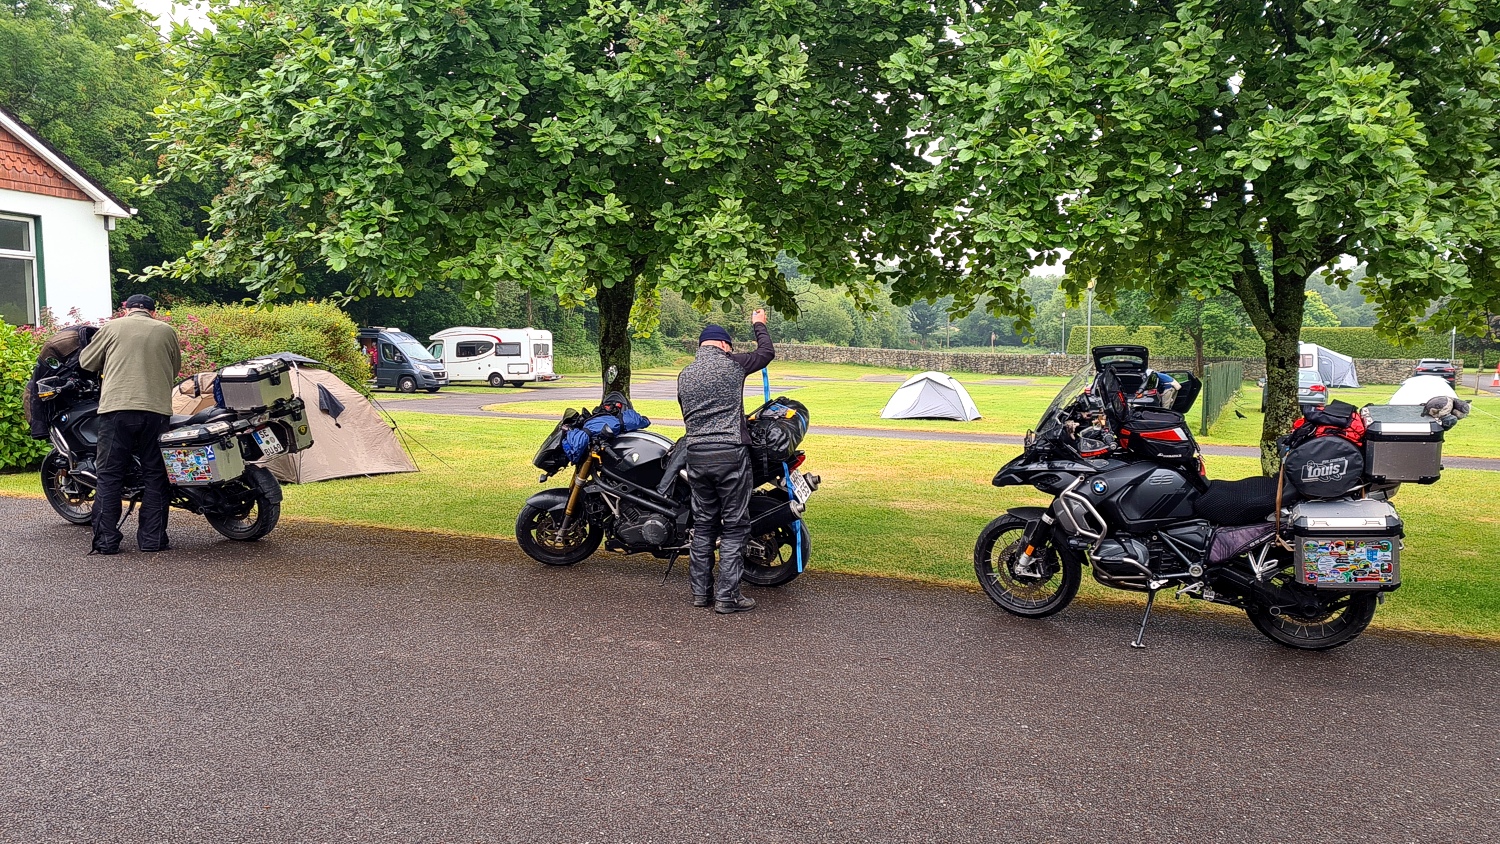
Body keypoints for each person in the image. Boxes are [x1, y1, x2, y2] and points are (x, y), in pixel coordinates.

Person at [676, 310, 775, 614]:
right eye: (729, 346)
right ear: (722, 345)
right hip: (729, 453)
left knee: (704, 524)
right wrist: (759, 324)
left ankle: (700, 593)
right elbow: (766, 353)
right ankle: (727, 597)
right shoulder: (732, 365)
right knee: (734, 526)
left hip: (696, 455)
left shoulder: (685, 374)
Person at [79, 294, 182, 555]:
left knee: (110, 476)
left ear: (126, 310)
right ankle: (153, 540)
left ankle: (106, 542)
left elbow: (86, 362)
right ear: (152, 311)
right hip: (156, 411)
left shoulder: (112, 328)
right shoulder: (166, 331)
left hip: (117, 409)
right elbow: (175, 369)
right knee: (155, 475)